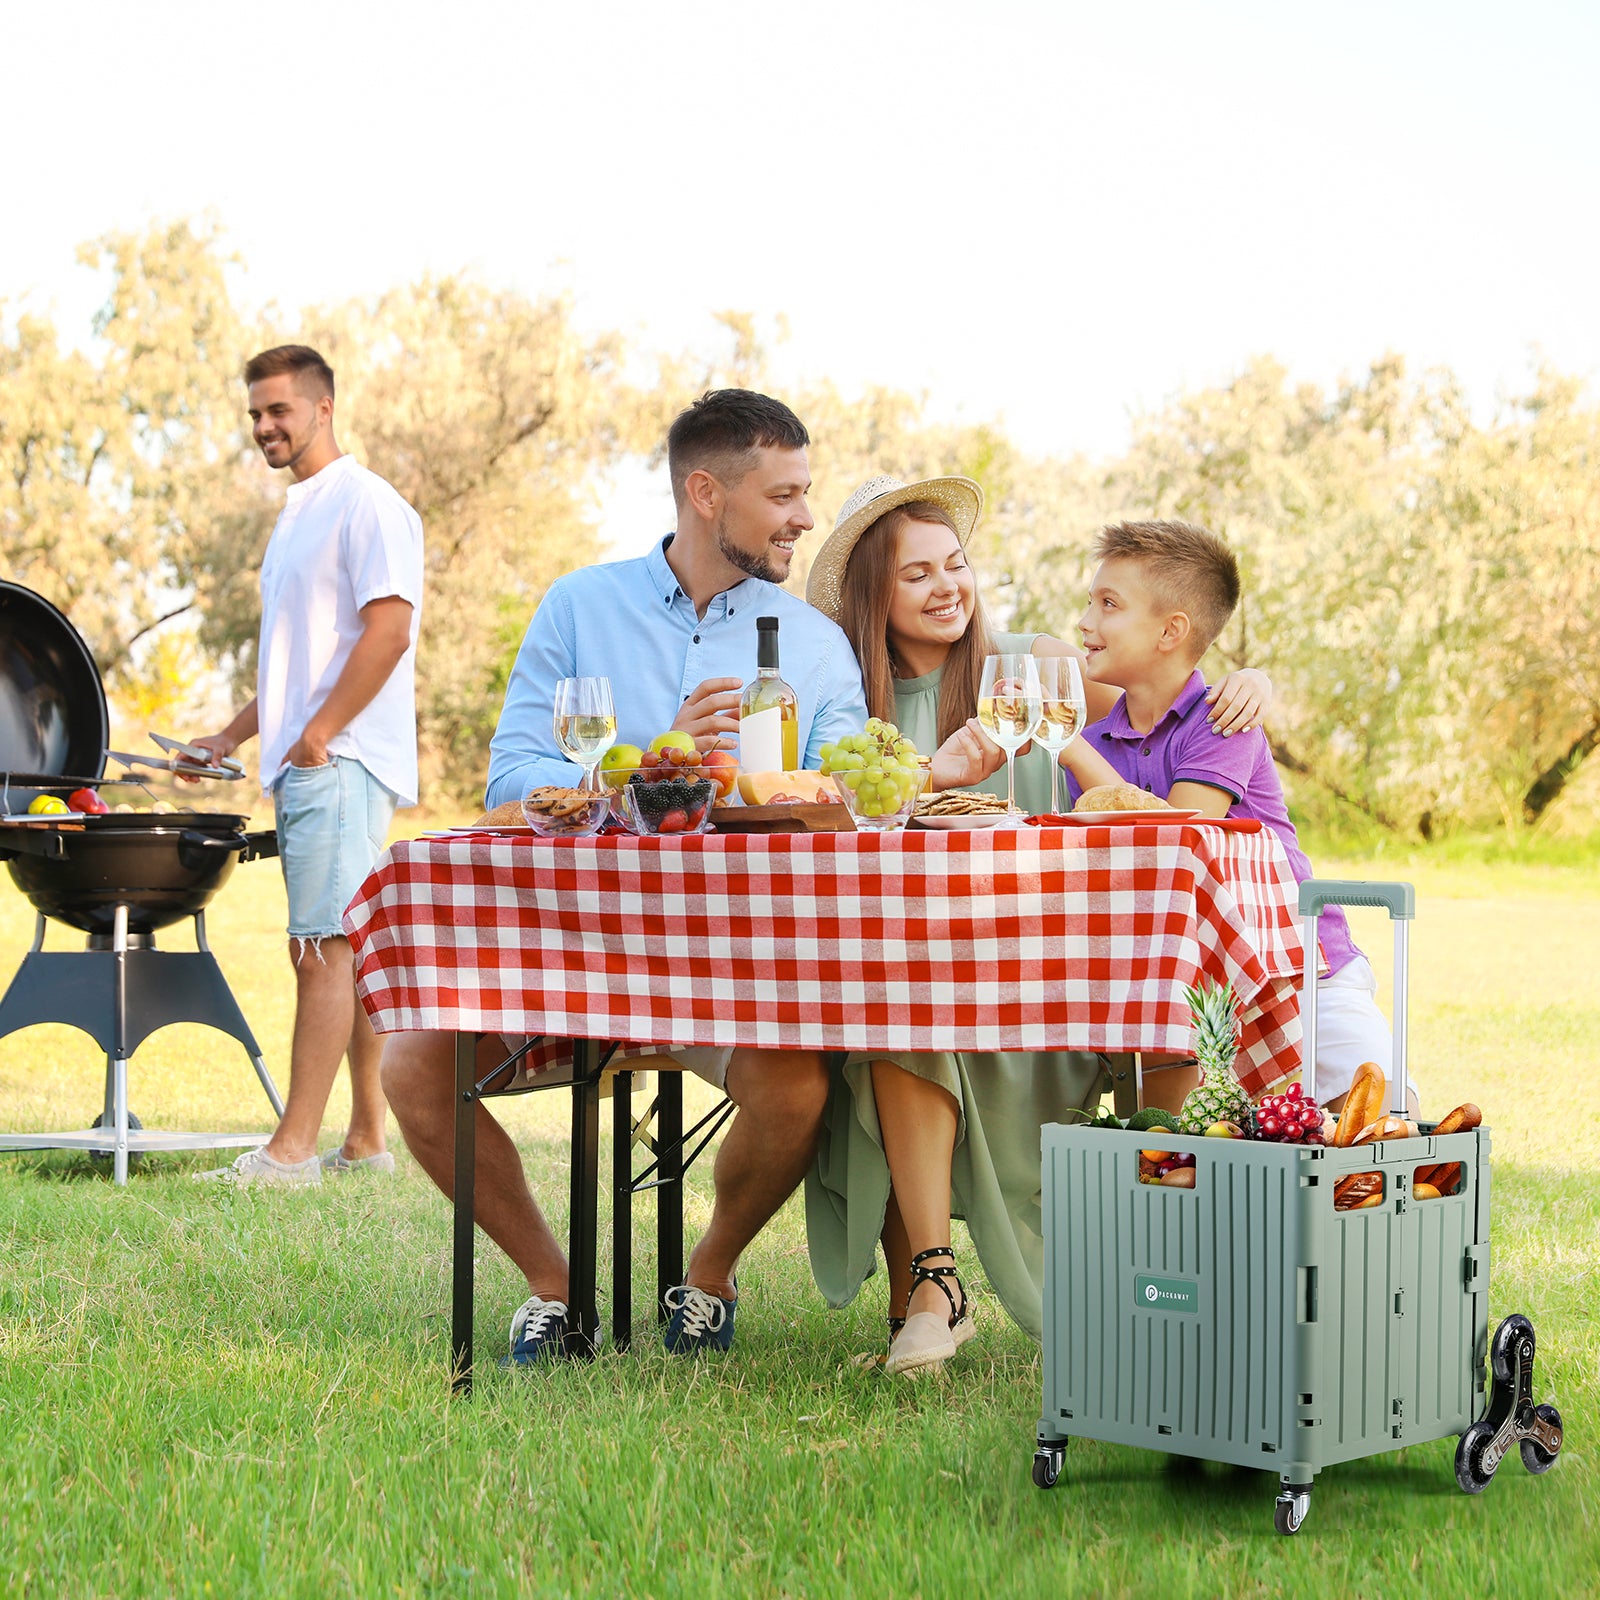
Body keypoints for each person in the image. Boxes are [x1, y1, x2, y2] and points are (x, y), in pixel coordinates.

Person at [381, 389, 870, 1364]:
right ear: (705, 492)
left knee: (795, 1093)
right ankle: (554, 1286)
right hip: (567, 961)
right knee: (412, 1070)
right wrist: (662, 754)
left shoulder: (810, 645)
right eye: (783, 495)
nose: (805, 519)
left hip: (736, 969)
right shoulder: (579, 606)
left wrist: (774, 788)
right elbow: (513, 780)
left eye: (805, 494)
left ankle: (709, 1275)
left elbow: (844, 801)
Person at [801, 475, 1273, 1375]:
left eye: (958, 564)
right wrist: (930, 779)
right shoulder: (848, 710)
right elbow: (828, 831)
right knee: (904, 1018)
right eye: (916, 576)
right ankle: (935, 1288)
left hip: (1043, 984)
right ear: (872, 594)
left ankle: (1083, 1283)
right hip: (917, 978)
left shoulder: (1029, 666)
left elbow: (1171, 687)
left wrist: (1252, 677)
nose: (948, 587)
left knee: (914, 1018)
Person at [1051, 518, 1403, 1118]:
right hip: (1186, 989)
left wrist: (1067, 746)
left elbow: (1180, 835)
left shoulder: (1223, 718)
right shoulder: (1097, 744)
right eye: (1089, 602)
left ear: (1172, 630)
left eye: (1108, 604)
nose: (1085, 622)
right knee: (1176, 1151)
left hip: (1301, 971)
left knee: (1378, 1129)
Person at [190, 344, 424, 1188]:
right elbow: (302, 663)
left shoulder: (367, 504)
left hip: (345, 759)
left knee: (320, 946)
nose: (263, 427)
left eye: (278, 410)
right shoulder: (298, 515)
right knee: (348, 945)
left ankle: (290, 1152)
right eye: (255, 413)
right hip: (316, 760)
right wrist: (229, 737)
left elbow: (389, 630)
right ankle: (364, 1138)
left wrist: (322, 732)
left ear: (323, 407)